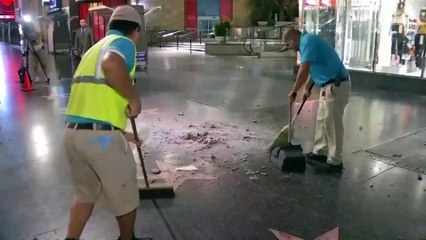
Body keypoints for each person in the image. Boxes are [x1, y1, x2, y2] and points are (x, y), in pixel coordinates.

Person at [63, 5, 151, 240]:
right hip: (100, 139)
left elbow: (94, 102)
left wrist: (122, 135)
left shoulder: (93, 49)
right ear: (134, 30)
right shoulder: (124, 44)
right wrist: (134, 98)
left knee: (84, 195)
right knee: (127, 198)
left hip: (73, 136)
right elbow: (112, 64)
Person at [283, 28, 351, 173]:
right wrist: (307, 87)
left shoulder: (307, 41)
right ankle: (320, 152)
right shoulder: (309, 42)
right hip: (327, 86)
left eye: (289, 45)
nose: (290, 49)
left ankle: (335, 161)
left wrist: (295, 91)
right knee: (322, 120)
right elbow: (314, 68)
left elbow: (305, 67)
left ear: (293, 39)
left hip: (336, 85)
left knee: (332, 123)